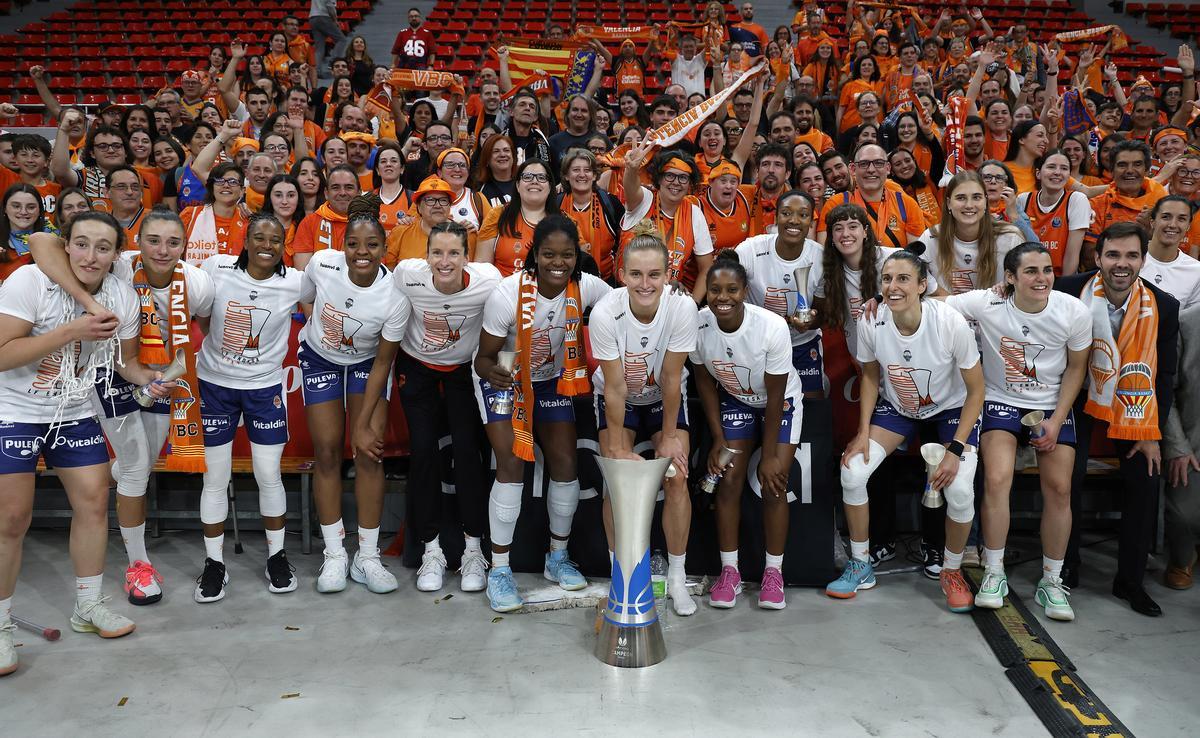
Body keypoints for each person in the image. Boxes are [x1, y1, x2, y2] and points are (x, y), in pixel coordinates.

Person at [0, 214, 173, 674]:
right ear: (67, 246)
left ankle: (87, 607)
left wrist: (149, 379)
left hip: (75, 408)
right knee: (13, 517)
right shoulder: (28, 281)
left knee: (95, 503)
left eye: (103, 248)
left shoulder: (120, 295)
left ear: (117, 256)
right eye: (81, 244)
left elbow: (126, 362)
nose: (91, 256)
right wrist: (70, 331)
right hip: (15, 410)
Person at [29, 209, 215, 607]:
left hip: (157, 375)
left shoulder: (197, 282)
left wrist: (164, 374)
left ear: (184, 246)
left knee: (140, 466)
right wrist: (85, 300)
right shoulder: (119, 266)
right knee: (135, 469)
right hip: (107, 371)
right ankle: (139, 565)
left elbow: (202, 329)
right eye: (153, 240)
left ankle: (105, 477)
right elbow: (40, 242)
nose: (162, 250)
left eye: (173, 242)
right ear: (135, 243)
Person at [830, 250, 984, 612]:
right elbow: (869, 376)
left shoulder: (948, 321)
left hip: (950, 410)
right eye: (887, 279)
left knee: (960, 490)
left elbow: (977, 391)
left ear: (922, 285)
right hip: (899, 407)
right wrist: (862, 430)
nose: (892, 287)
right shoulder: (871, 319)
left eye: (902, 279)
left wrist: (956, 449)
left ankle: (952, 570)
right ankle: (861, 563)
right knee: (852, 471)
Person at [944, 243, 1091, 620]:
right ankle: (994, 572)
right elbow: (935, 300)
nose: (1041, 278)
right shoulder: (986, 303)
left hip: (1051, 403)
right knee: (996, 479)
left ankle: (1052, 581)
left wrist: (1057, 421)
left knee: (1060, 488)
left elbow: (1077, 369)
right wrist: (883, 296)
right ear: (1009, 278)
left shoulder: (1073, 311)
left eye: (1046, 270)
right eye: (1030, 271)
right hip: (1000, 399)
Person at [473, 215, 611, 612]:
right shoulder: (507, 293)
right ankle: (499, 570)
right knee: (513, 461)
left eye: (567, 255)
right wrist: (494, 373)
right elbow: (483, 358)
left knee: (566, 462)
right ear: (534, 255)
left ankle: (557, 556)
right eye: (548, 254)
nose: (558, 262)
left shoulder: (586, 286)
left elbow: (624, 304)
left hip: (550, 379)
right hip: (505, 378)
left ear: (577, 256)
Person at [363, 222, 502, 591]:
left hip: (462, 370)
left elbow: (513, 306)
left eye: (453, 253)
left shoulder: (488, 280)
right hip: (416, 366)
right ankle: (431, 551)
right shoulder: (408, 274)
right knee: (423, 452)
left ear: (466, 257)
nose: (445, 261)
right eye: (437, 253)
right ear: (425, 256)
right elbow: (377, 294)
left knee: (467, 453)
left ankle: (474, 550)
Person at [1057, 222, 1179, 616]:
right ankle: (1066, 566)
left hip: (1135, 401)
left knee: (1145, 479)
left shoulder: (1164, 304)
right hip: (1075, 396)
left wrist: (1152, 433)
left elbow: (1166, 375)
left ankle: (1130, 581)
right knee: (1066, 477)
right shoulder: (1067, 290)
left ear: (1143, 259)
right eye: (1113, 255)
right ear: (1098, 258)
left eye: (1131, 256)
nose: (1121, 264)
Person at [295, 196, 412, 595]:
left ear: (384, 248)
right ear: (342, 245)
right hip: (320, 358)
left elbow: (383, 362)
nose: (362, 253)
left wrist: (362, 425)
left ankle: (368, 556)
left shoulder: (395, 296)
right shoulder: (322, 263)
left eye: (372, 245)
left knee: (368, 452)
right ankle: (334, 555)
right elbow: (306, 296)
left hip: (367, 364)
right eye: (353, 244)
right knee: (327, 451)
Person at [192, 214, 304, 603]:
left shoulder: (294, 281)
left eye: (276, 239)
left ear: (284, 244)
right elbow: (202, 318)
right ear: (246, 238)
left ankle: (277, 556)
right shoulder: (216, 268)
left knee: (268, 473)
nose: (267, 245)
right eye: (259, 236)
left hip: (264, 388)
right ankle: (214, 564)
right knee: (215, 477)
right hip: (215, 385)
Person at [591, 228, 700, 615]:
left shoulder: (683, 308)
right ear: (621, 274)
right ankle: (619, 574)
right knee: (616, 480)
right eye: (636, 274)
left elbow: (672, 378)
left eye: (654, 275)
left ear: (668, 275)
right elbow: (616, 387)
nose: (645, 283)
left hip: (661, 397)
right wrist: (619, 449)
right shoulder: (606, 312)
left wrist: (669, 438)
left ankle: (675, 577)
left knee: (677, 475)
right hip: (617, 396)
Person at [693, 249, 804, 610]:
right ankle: (730, 573)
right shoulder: (699, 326)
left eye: (732, 290)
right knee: (727, 480)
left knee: (774, 483)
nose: (723, 298)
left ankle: (774, 573)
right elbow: (705, 383)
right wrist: (718, 439)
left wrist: (769, 455)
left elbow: (774, 397)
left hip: (779, 401)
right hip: (737, 400)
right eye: (715, 290)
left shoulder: (770, 327)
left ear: (744, 291)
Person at [734, 190, 825, 397]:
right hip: (758, 343)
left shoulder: (821, 258)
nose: (793, 220)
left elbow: (822, 314)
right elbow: (723, 284)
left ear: (811, 221)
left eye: (803, 215)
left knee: (812, 406)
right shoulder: (750, 250)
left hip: (802, 344)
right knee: (762, 402)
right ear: (776, 217)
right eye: (786, 213)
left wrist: (810, 321)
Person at [621, 143, 714, 301]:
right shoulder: (644, 200)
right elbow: (631, 188)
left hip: (668, 300)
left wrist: (694, 305)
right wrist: (631, 169)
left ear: (690, 184)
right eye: (670, 175)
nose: (676, 182)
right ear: (659, 178)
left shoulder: (694, 214)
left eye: (683, 178)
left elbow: (706, 268)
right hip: (629, 295)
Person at [921, 171, 1024, 294]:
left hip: (995, 310)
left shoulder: (1010, 237)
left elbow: (1026, 279)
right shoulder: (931, 237)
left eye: (976, 197)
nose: (969, 205)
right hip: (946, 310)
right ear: (949, 203)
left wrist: (1010, 286)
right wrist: (939, 292)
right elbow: (913, 272)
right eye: (961, 198)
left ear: (985, 202)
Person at [1163, 302, 1200, 589]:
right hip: (1192, 443)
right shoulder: (1186, 322)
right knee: (1185, 517)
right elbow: (1166, 392)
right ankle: (1182, 558)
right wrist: (1178, 446)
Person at [475, 159, 558, 277]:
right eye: (527, 177)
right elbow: (482, 271)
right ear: (518, 185)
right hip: (504, 292)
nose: (534, 181)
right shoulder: (498, 215)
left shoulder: (564, 222)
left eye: (541, 177)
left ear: (550, 187)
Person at [1014, 150, 1091, 277]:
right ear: (1038, 173)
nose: (1057, 172)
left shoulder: (1077, 200)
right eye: (1051, 167)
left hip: (1061, 278)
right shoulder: (1023, 200)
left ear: (1069, 176)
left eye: (1064, 168)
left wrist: (1063, 290)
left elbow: (1072, 256)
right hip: (1027, 277)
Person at [556, 149, 622, 282]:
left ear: (594, 175)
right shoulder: (555, 204)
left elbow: (623, 243)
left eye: (587, 170)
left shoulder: (611, 203)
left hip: (605, 282)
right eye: (575, 170)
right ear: (566, 176)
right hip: (564, 281)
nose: (582, 175)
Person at [180, 162, 249, 265]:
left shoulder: (248, 221)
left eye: (233, 182)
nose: (226, 185)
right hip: (194, 279)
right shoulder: (190, 215)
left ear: (242, 191)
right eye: (220, 181)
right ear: (212, 188)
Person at [291, 165, 359, 268]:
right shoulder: (309, 223)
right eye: (335, 188)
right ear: (326, 193)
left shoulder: (370, 224)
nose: (342, 193)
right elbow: (303, 271)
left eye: (349, 187)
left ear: (359, 193)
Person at [1139, 196, 1200, 309]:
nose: (1172, 225)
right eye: (1166, 217)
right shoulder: (1130, 257)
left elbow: (1189, 321)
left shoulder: (1196, 271)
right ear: (1152, 222)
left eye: (1181, 219)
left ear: (1188, 226)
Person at [309, 0, 348, 75]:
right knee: (342, 40)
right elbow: (330, 7)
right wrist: (335, 20)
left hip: (312, 18)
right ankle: (333, 63)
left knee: (319, 48)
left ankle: (316, 71)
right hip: (324, 17)